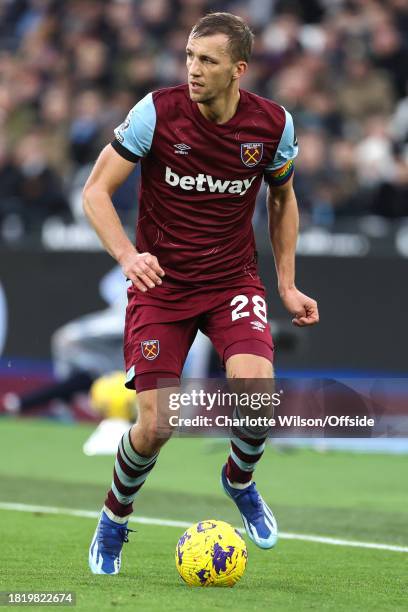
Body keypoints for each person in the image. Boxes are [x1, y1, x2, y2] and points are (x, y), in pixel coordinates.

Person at [83, 12, 319, 575]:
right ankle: (114, 519)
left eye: (207, 61)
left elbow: (283, 200)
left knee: (258, 395)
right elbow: (96, 192)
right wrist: (127, 254)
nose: (193, 69)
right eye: (189, 56)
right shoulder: (156, 113)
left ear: (238, 69)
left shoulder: (273, 125)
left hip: (232, 279)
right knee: (158, 425)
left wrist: (285, 282)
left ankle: (238, 479)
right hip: (160, 285)